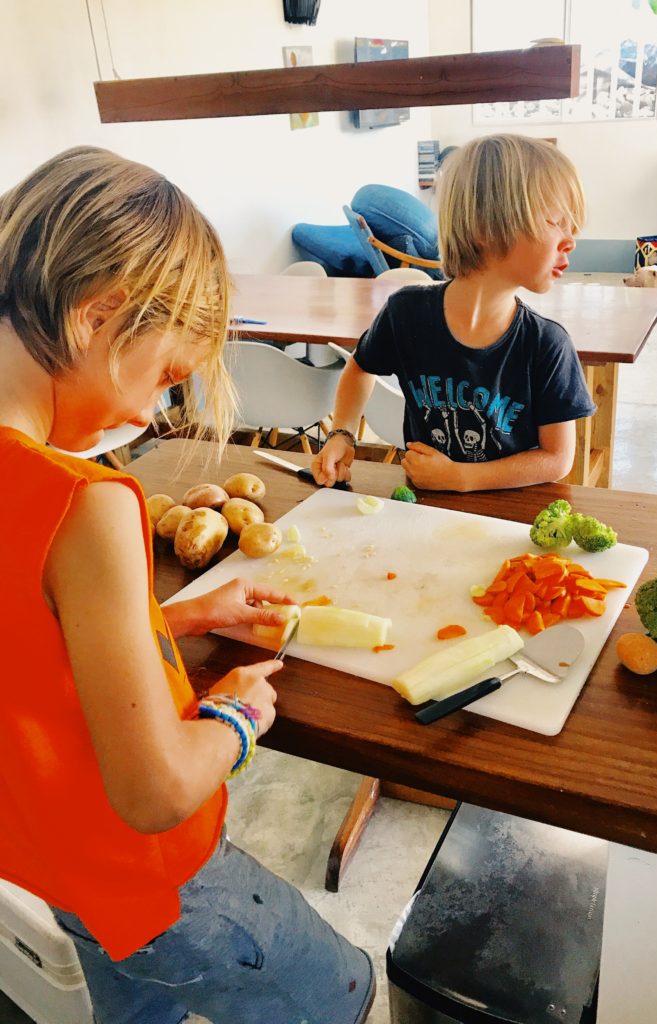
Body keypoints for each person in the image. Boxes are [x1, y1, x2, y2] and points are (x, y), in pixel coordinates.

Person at [0, 147, 374, 1024]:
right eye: (167, 376)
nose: (144, 416)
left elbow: (29, 647)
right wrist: (238, 715)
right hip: (160, 885)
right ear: (99, 313)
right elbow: (156, 791)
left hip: (51, 871)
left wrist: (184, 612)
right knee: (342, 993)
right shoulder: (85, 503)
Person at [313, 134, 596, 493]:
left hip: (507, 515)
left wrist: (462, 478)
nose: (571, 240)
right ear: (485, 227)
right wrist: (342, 433)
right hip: (423, 507)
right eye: (556, 222)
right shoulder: (405, 313)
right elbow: (359, 368)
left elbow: (557, 459)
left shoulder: (547, 343)